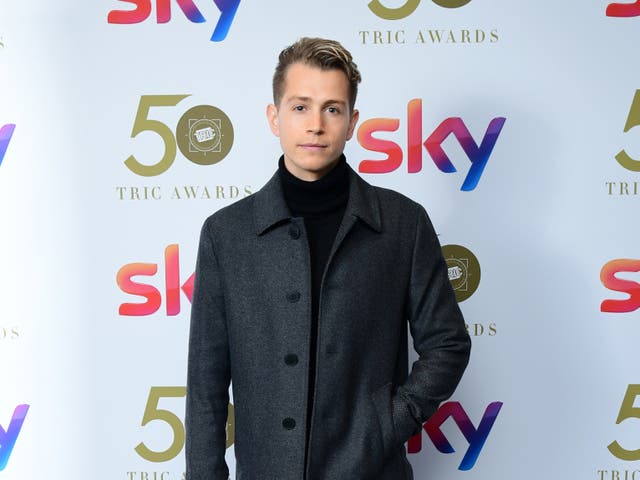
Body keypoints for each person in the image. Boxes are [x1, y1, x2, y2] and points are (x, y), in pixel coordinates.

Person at [185, 37, 471, 480]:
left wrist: (387, 424)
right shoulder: (226, 234)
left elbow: (447, 344)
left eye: (332, 109)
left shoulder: (402, 223)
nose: (315, 124)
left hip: (371, 470)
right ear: (273, 117)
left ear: (352, 121)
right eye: (300, 107)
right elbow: (206, 384)